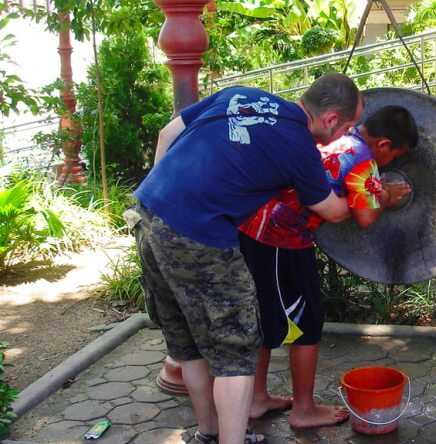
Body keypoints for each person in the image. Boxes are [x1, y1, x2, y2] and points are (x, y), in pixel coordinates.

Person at [132, 73, 363, 444]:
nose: (345, 136)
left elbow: (166, 134)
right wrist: (370, 196)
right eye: (348, 127)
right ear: (331, 118)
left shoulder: (241, 94)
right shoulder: (298, 145)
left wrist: (169, 196)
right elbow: (333, 211)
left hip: (148, 213)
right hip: (199, 236)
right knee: (236, 354)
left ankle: (208, 434)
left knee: (187, 344)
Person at [237, 105, 418, 428]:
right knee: (307, 322)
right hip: (280, 237)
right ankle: (303, 410)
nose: (391, 163)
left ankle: (256, 399)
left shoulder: (339, 139)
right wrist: (386, 197)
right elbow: (366, 218)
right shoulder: (364, 161)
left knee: (264, 316)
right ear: (385, 145)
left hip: (255, 227)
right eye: (395, 156)